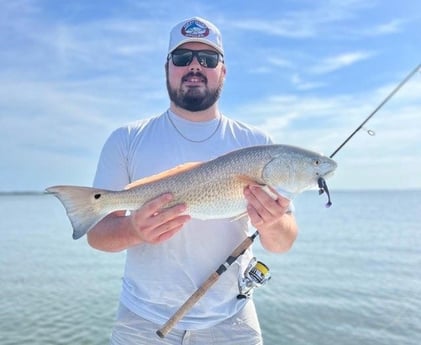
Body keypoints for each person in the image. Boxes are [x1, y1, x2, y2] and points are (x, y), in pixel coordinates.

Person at [88, 16, 298, 345]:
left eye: (209, 59)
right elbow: (97, 235)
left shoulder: (258, 145)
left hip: (233, 321)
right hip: (141, 320)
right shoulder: (126, 139)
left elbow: (283, 242)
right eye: (183, 58)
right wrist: (133, 230)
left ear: (223, 71)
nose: (195, 66)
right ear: (167, 68)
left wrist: (272, 223)